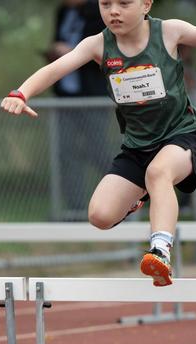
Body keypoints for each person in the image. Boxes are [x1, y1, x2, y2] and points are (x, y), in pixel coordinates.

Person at [2, 0, 196, 286]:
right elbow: (55, 69)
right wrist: (20, 93)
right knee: (100, 216)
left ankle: (160, 251)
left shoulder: (170, 32)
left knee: (158, 172)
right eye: (105, 4)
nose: (113, 11)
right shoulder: (98, 44)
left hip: (182, 136)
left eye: (124, 3)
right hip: (138, 147)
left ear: (146, 4)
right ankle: (142, 197)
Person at [46, 0, 109, 220]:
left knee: (99, 151)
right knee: (65, 153)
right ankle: (76, 210)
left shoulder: (103, 9)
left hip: (92, 96)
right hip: (65, 96)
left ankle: (124, 203)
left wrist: (73, 52)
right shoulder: (62, 11)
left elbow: (108, 54)